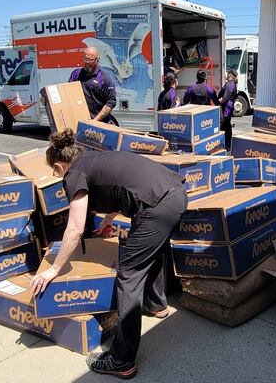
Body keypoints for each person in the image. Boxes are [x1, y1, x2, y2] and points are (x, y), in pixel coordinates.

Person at [30, 130, 187, 379]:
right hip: (174, 194)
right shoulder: (92, 159)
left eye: (55, 172)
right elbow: (121, 183)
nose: (58, 176)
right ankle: (156, 305)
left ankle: (121, 360)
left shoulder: (73, 174)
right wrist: (110, 218)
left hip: (156, 206)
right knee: (150, 252)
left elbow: (75, 228)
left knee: (129, 275)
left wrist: (53, 269)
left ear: (59, 166)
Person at [69, 46, 118, 125]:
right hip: (80, 122)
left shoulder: (104, 79)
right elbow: (67, 93)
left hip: (99, 124)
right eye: (85, 59)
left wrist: (94, 121)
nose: (87, 62)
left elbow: (110, 102)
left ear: (97, 59)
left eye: (91, 60)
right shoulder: (76, 74)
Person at [218, 70, 239, 148]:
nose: (225, 75)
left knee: (224, 125)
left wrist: (216, 103)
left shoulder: (230, 84)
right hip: (228, 107)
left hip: (226, 107)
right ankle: (228, 144)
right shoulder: (232, 84)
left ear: (230, 75)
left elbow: (225, 98)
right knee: (227, 125)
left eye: (227, 74)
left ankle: (226, 145)